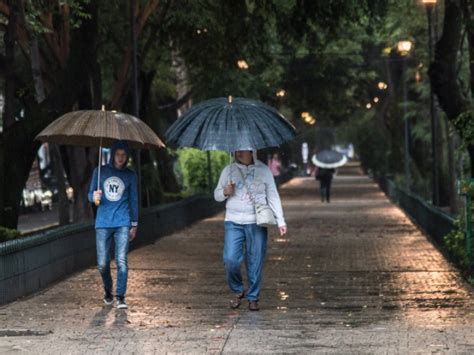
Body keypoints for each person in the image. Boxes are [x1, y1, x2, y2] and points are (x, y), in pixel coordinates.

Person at [214, 150, 287, 311]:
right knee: (230, 259)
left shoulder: (264, 171)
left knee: (255, 260)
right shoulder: (229, 170)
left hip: (256, 221)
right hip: (233, 221)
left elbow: (273, 195)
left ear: (252, 151)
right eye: (237, 149)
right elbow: (217, 195)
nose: (239, 153)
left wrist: (280, 220)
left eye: (243, 149)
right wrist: (225, 192)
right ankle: (238, 290)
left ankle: (253, 297)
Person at [88, 140, 138, 309]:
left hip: (122, 222)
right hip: (102, 223)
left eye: (124, 155)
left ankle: (120, 297)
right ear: (113, 154)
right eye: (118, 154)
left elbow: (133, 200)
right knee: (102, 263)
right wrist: (94, 197)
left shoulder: (130, 175)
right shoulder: (100, 172)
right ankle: (108, 290)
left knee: (121, 261)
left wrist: (134, 224)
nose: (121, 158)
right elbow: (90, 194)